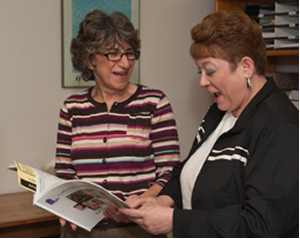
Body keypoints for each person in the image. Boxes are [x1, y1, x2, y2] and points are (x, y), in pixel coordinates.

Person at [120, 10, 299, 237]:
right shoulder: (219, 111)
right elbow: (190, 169)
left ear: (246, 66)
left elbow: (262, 225)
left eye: (210, 71)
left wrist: (176, 221)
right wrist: (163, 200)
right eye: (200, 71)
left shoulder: (280, 128)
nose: (203, 82)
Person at [54, 9, 180, 238]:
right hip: (81, 230)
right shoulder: (71, 108)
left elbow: (170, 174)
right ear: (89, 59)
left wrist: (144, 200)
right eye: (113, 54)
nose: (125, 63)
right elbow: (64, 174)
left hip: (136, 229)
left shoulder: (154, 103)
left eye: (129, 53)